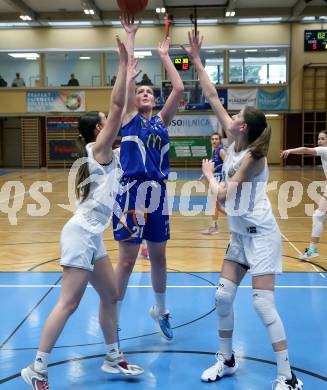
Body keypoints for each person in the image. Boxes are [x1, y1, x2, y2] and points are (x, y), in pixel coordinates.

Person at [21, 37, 143, 390]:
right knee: (69, 303)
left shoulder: (110, 152)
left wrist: (130, 72)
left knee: (111, 295)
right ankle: (38, 369)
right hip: (79, 235)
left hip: (93, 237)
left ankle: (112, 355)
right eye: (104, 121)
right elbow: (119, 106)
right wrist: (124, 62)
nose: (110, 122)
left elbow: (126, 110)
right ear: (97, 129)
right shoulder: (100, 149)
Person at [183, 30, 303, 390]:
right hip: (239, 236)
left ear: (243, 126)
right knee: (222, 296)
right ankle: (227, 358)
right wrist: (196, 58)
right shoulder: (237, 140)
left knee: (263, 305)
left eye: (234, 114)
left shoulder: (252, 157)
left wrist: (207, 175)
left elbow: (222, 195)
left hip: (262, 236)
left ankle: (288, 376)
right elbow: (209, 94)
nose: (228, 115)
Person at [112, 16, 184, 341]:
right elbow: (126, 86)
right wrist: (131, 35)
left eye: (148, 91)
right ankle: (111, 316)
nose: (144, 93)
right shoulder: (128, 118)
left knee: (159, 255)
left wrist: (165, 55)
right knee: (126, 261)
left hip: (158, 194)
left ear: (154, 100)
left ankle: (162, 309)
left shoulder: (161, 122)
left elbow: (180, 88)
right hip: (131, 193)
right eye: (139, 90)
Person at [281, 130, 327, 260]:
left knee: (318, 216)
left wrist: (290, 150)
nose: (319, 141)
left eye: (323, 139)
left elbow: (306, 149)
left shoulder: (325, 151)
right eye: (319, 139)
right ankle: (312, 249)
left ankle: (312, 249)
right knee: (318, 216)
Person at [201, 132, 227, 235]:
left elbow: (228, 165)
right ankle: (236, 219)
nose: (214, 141)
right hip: (215, 178)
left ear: (220, 140)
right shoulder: (214, 151)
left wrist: (224, 181)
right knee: (216, 205)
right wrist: (204, 174)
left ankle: (214, 227)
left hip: (220, 179)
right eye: (212, 139)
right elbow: (213, 164)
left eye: (216, 139)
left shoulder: (221, 151)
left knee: (214, 204)